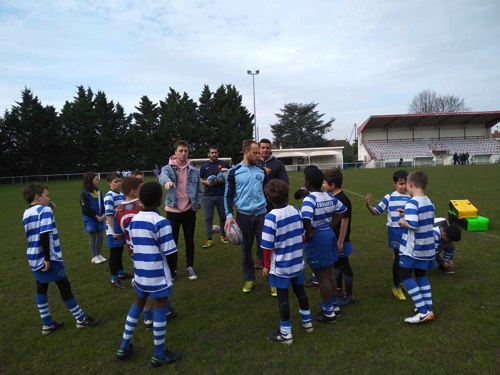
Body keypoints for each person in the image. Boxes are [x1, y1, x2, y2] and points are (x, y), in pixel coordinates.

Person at [116, 182, 181, 366]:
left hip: (140, 273)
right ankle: (159, 354)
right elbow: (170, 252)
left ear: (140, 200)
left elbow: (134, 247)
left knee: (137, 305)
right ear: (160, 200)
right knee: (160, 308)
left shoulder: (134, 220)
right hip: (157, 275)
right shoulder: (161, 222)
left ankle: (124, 346)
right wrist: (172, 272)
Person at [22, 183, 100, 334]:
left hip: (33, 256)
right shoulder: (44, 210)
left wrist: (49, 205)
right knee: (64, 285)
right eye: (47, 195)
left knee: (41, 286)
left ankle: (47, 323)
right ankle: (81, 319)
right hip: (48, 256)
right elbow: (44, 234)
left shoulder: (27, 212)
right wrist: (48, 258)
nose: (49, 197)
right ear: (38, 197)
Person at [261, 179, 313, 345]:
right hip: (297, 262)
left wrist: (266, 266)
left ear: (268, 198)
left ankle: (286, 334)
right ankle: (308, 323)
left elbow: (267, 246)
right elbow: (302, 235)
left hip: (281, 267)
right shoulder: (295, 210)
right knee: (300, 292)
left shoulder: (270, 217)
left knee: (283, 298)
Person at [301, 167, 347, 323]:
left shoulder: (310, 199)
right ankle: (334, 307)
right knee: (328, 273)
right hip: (328, 234)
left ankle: (328, 312)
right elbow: (342, 210)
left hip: (317, 238)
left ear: (307, 182)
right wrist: (331, 224)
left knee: (322, 277)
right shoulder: (328, 196)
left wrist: (308, 233)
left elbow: (306, 218)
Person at [224, 139, 268, 293]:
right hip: (243, 216)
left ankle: (273, 280)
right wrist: (229, 215)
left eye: (259, 153)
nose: (259, 155)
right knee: (246, 251)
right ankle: (249, 279)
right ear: (246, 152)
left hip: (262, 214)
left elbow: (267, 193)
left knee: (268, 248)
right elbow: (228, 196)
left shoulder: (262, 171)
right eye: (255, 152)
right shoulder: (233, 172)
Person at [159, 140, 203, 281]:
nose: (183, 153)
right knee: (172, 242)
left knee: (190, 240)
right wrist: (166, 182)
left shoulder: (194, 170)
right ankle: (172, 270)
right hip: (173, 211)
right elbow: (162, 176)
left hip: (189, 211)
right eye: (181, 151)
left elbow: (199, 191)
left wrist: (196, 205)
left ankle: (190, 267)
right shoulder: (167, 168)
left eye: (185, 151)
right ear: (175, 153)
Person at [365, 170, 410, 301]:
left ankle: (404, 282)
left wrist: (405, 214)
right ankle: (396, 287)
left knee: (408, 258)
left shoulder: (411, 197)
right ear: (394, 184)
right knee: (399, 258)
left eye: (405, 183)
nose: (403, 186)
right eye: (401, 183)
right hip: (395, 232)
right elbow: (376, 212)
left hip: (408, 231)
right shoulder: (389, 197)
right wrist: (368, 205)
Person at [398, 171, 436, 324]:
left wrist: (402, 220)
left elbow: (413, 225)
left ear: (411, 185)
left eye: (407, 184)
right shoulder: (429, 201)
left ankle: (423, 312)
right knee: (421, 274)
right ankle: (428, 308)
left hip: (413, 248)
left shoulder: (412, 203)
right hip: (427, 247)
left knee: (404, 276)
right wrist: (407, 214)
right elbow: (424, 220)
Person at [323, 168, 354, 306]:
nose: (323, 186)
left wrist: (341, 242)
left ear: (333, 185)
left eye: (325, 183)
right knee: (337, 264)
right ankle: (339, 289)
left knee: (344, 264)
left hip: (341, 239)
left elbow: (344, 221)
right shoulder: (333, 198)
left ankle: (349, 293)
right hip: (334, 238)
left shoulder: (343, 200)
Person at [199, 146, 231, 248]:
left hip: (222, 195)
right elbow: (200, 179)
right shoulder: (204, 166)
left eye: (216, 152)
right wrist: (206, 182)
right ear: (208, 154)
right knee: (208, 218)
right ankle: (209, 239)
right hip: (208, 196)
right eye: (212, 153)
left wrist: (225, 177)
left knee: (223, 217)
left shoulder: (224, 164)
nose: (214, 154)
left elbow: (231, 175)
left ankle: (223, 235)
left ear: (218, 153)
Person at [104, 172, 132, 289]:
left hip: (121, 229)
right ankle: (114, 278)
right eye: (115, 181)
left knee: (119, 251)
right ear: (109, 183)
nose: (118, 183)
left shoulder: (121, 194)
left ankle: (121, 273)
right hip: (114, 230)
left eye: (120, 181)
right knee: (114, 254)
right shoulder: (109, 196)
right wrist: (113, 231)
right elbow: (109, 215)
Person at [79, 172, 106, 264]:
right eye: (96, 179)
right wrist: (95, 216)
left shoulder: (98, 191)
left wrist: (103, 214)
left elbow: (102, 203)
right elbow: (84, 208)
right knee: (93, 236)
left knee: (101, 235)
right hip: (91, 218)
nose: (98, 181)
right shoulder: (84, 193)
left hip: (100, 217)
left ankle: (99, 254)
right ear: (90, 181)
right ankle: (94, 256)